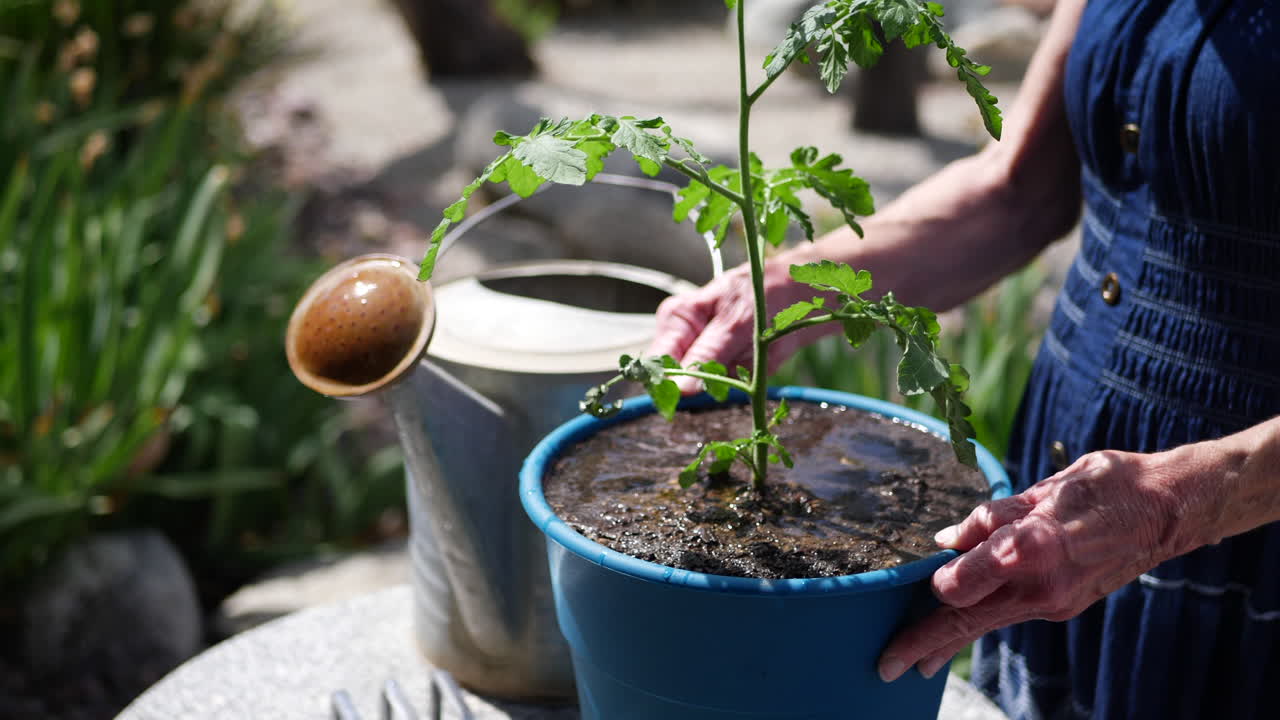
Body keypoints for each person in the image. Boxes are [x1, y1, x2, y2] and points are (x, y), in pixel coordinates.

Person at [645, 0, 1280, 718]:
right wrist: (790, 285)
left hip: (1250, 537)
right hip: (1071, 487)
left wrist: (1179, 503)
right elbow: (1018, 193)